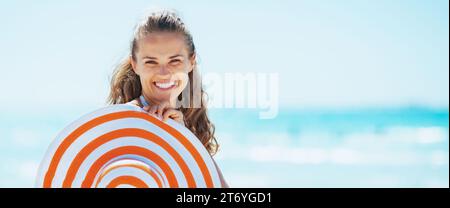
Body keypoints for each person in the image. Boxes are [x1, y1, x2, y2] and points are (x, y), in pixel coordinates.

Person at [107, 10, 228, 188]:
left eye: (174, 61)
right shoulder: (121, 125)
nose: (164, 73)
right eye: (151, 62)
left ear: (191, 62)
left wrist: (184, 138)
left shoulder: (187, 125)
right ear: (135, 65)